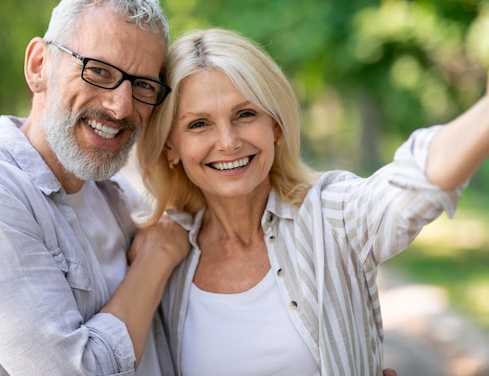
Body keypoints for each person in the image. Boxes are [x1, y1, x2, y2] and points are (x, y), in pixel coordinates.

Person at [134, 27, 489, 376]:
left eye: (245, 114)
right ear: (170, 147)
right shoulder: (164, 253)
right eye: (198, 124)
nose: (228, 142)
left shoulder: (331, 217)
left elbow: (415, 184)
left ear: (275, 126)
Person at [0, 0, 190, 376]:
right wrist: (156, 259)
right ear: (39, 65)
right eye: (98, 71)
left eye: (143, 85)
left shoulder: (117, 200)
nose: (121, 107)